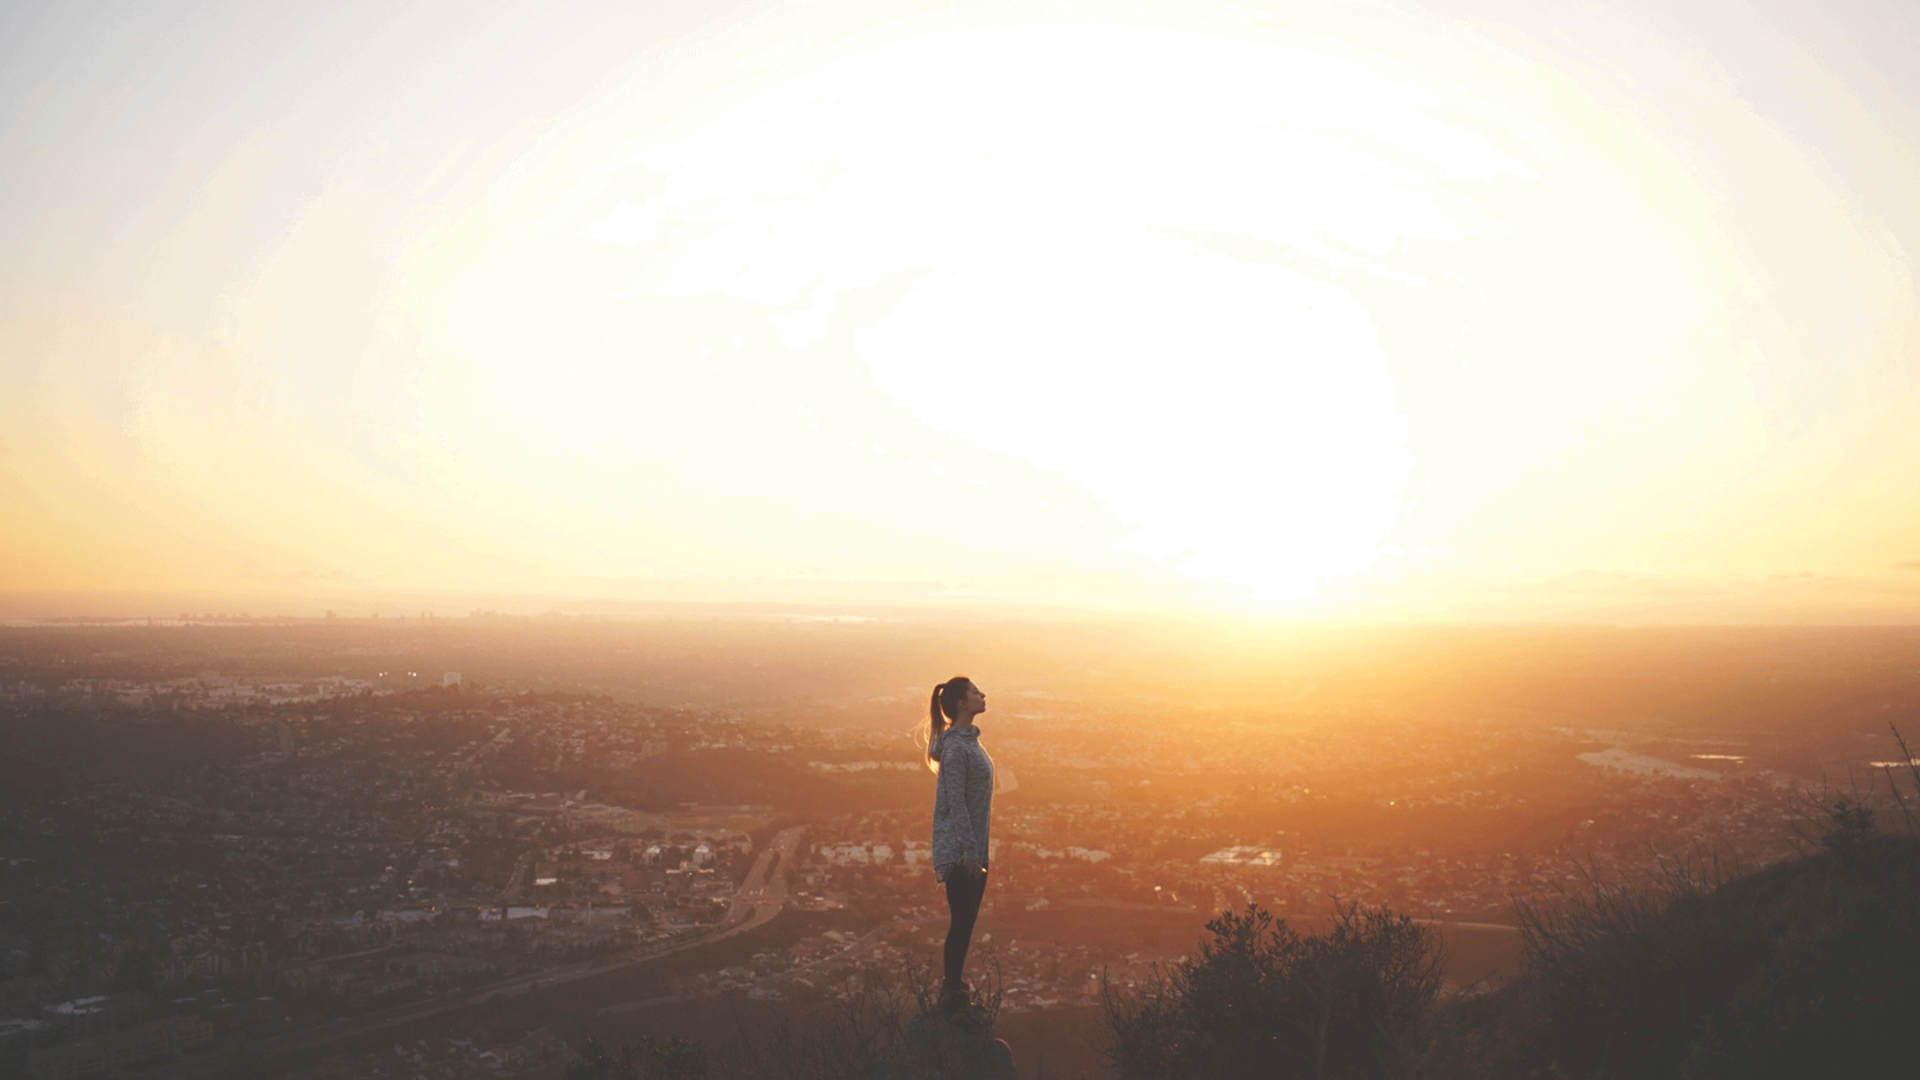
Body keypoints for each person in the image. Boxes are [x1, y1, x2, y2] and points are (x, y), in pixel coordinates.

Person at [925, 676, 993, 1011]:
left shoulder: (968, 742)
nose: (982, 695)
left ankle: (954, 987)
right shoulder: (955, 749)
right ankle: (951, 991)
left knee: (966, 922)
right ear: (962, 703)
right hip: (962, 852)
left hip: (973, 850)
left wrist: (978, 852)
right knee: (961, 922)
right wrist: (969, 854)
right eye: (975, 692)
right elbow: (956, 803)